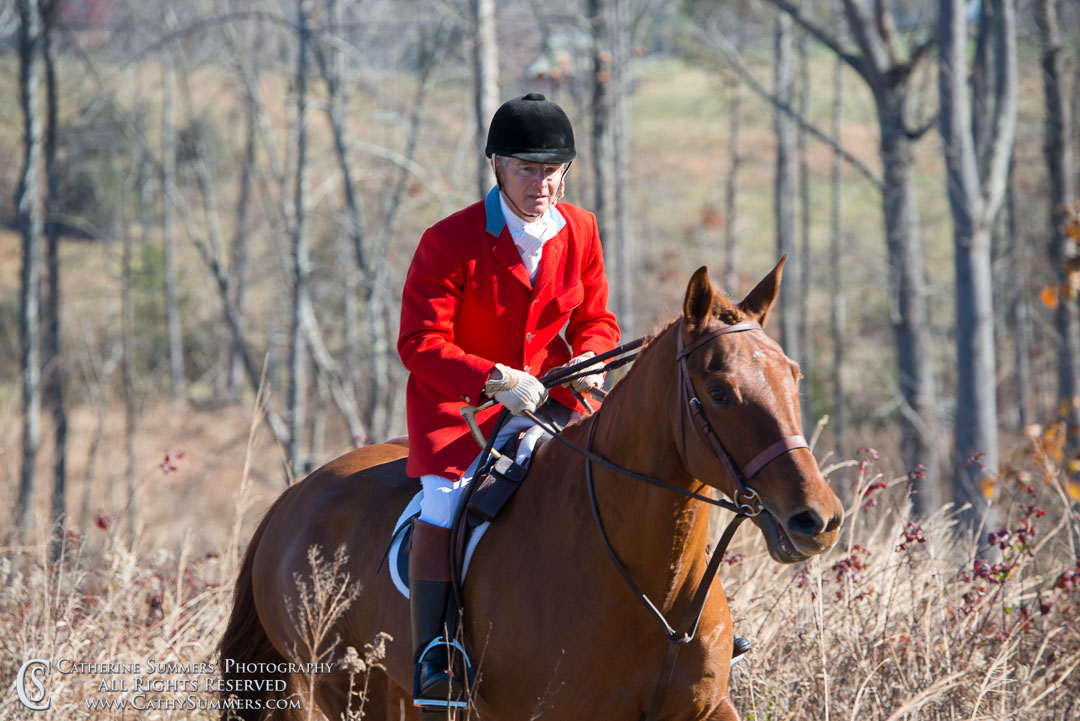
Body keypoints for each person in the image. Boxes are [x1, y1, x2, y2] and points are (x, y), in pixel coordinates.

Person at [397, 92, 620, 710]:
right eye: (526, 168)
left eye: (551, 170)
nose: (541, 183)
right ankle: (435, 655)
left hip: (555, 404)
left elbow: (599, 320)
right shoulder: (449, 240)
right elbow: (418, 343)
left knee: (638, 469)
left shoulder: (581, 229)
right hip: (463, 415)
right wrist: (494, 377)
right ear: (496, 165)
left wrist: (585, 362)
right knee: (442, 504)